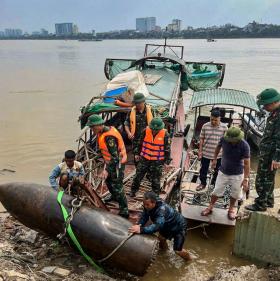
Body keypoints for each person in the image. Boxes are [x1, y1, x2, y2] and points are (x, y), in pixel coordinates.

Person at [201, 127, 250, 220]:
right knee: (217, 190)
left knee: (235, 193)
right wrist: (215, 158)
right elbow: (218, 147)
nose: (231, 141)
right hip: (223, 171)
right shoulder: (224, 139)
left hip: (238, 173)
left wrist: (246, 179)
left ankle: (231, 209)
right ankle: (210, 206)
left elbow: (247, 164)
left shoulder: (245, 145)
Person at [86, 114, 129, 218]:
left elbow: (115, 157)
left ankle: (124, 210)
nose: (91, 130)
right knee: (108, 181)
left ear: (98, 125)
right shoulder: (103, 131)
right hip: (110, 162)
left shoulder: (109, 137)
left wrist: (107, 171)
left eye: (92, 127)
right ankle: (114, 196)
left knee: (117, 186)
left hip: (117, 164)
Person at [128, 191, 191, 261]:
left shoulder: (161, 210)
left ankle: (189, 260)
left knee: (177, 250)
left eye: (147, 205)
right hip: (167, 225)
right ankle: (165, 254)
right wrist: (139, 225)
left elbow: (157, 226)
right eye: (144, 204)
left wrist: (141, 229)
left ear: (154, 203)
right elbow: (144, 216)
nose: (145, 206)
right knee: (161, 239)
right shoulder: (148, 206)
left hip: (179, 226)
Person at [246, 88, 280, 212]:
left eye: (265, 105)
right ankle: (269, 201)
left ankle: (260, 204)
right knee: (269, 178)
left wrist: (277, 158)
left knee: (262, 179)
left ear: (272, 103)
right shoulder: (274, 113)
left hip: (272, 154)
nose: (264, 108)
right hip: (267, 152)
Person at [130, 117, 171, 197]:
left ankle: (155, 195)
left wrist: (167, 162)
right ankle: (133, 190)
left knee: (156, 179)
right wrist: (137, 154)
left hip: (157, 160)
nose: (154, 131)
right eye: (153, 129)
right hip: (144, 158)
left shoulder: (165, 135)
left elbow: (167, 149)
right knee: (138, 175)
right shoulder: (145, 131)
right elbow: (140, 143)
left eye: (156, 129)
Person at [196, 108, 228, 191]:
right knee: (203, 169)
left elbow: (226, 141)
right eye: (212, 119)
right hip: (206, 152)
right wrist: (200, 151)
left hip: (219, 154)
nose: (213, 122)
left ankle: (214, 184)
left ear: (220, 119)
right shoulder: (205, 125)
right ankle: (203, 183)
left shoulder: (224, 127)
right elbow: (202, 139)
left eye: (215, 120)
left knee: (218, 171)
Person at [124, 92, 153, 164]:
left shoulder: (150, 110)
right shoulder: (131, 111)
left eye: (139, 103)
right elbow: (126, 124)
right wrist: (129, 133)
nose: (138, 105)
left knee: (147, 156)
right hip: (136, 139)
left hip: (147, 138)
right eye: (136, 103)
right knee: (136, 158)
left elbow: (155, 123)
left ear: (144, 102)